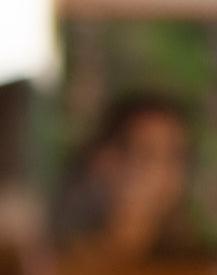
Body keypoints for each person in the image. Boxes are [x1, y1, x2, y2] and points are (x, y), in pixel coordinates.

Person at [57, 95, 192, 261]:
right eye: (146, 154)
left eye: (174, 157)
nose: (162, 172)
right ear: (103, 160)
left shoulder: (198, 266)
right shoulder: (58, 261)